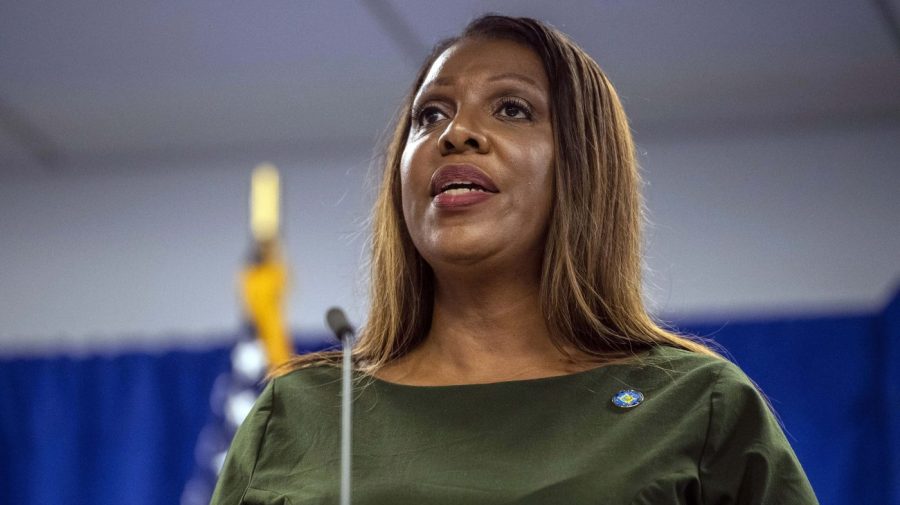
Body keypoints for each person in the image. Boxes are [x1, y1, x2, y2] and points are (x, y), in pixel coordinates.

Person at [210, 15, 819, 504]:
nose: (455, 134)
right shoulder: (300, 412)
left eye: (512, 109)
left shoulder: (694, 406)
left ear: (581, 166)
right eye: (431, 115)